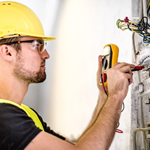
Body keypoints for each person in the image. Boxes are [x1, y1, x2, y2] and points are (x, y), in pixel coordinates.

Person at [0, 1, 135, 150]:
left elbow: (79, 146)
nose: (46, 54)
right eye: (37, 45)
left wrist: (105, 95)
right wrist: (116, 96)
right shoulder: (3, 118)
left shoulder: (26, 113)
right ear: (8, 52)